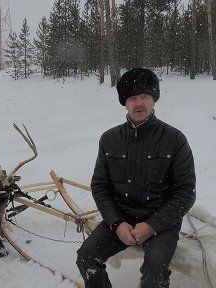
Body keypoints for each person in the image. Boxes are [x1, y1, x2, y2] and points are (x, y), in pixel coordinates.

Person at [76, 67, 196, 288]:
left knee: (155, 270)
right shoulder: (110, 139)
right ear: (125, 102)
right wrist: (116, 222)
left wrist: (151, 225)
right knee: (86, 256)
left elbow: (185, 193)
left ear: (154, 100)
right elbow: (100, 187)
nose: (138, 103)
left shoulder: (175, 139)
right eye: (133, 98)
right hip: (122, 217)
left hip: (162, 222)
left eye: (144, 97)